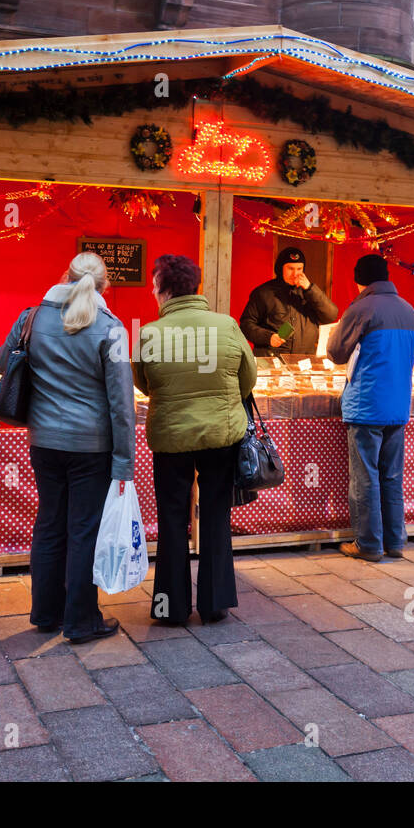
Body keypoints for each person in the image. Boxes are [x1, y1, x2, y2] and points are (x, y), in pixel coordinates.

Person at [0, 251, 134, 644]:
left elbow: (1, 362)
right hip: (91, 446)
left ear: (65, 275)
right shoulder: (111, 328)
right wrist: (125, 464)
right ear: (105, 285)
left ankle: (45, 613)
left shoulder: (32, 318)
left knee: (50, 522)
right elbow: (121, 403)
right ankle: (80, 620)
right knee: (84, 529)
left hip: (43, 440)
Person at [133, 254, 256, 625]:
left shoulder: (148, 333)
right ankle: (215, 603)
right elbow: (247, 378)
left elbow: (144, 383)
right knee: (216, 515)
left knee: (172, 519)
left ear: (165, 290)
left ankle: (170, 608)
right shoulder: (227, 325)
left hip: (171, 437)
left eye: (154, 287)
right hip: (221, 433)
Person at [327, 255, 414, 562]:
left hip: (366, 405)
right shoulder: (409, 311)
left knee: (365, 477)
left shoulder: (361, 308)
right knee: (392, 476)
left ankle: (368, 544)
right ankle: (395, 541)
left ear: (360, 279)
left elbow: (336, 353)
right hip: (398, 405)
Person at [239, 246, 339, 357]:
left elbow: (331, 315)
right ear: (280, 268)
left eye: (299, 269)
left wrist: (310, 289)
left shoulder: (311, 292)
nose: (295, 274)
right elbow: (246, 325)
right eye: (290, 269)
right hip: (272, 360)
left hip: (303, 361)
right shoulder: (263, 292)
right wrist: (268, 337)